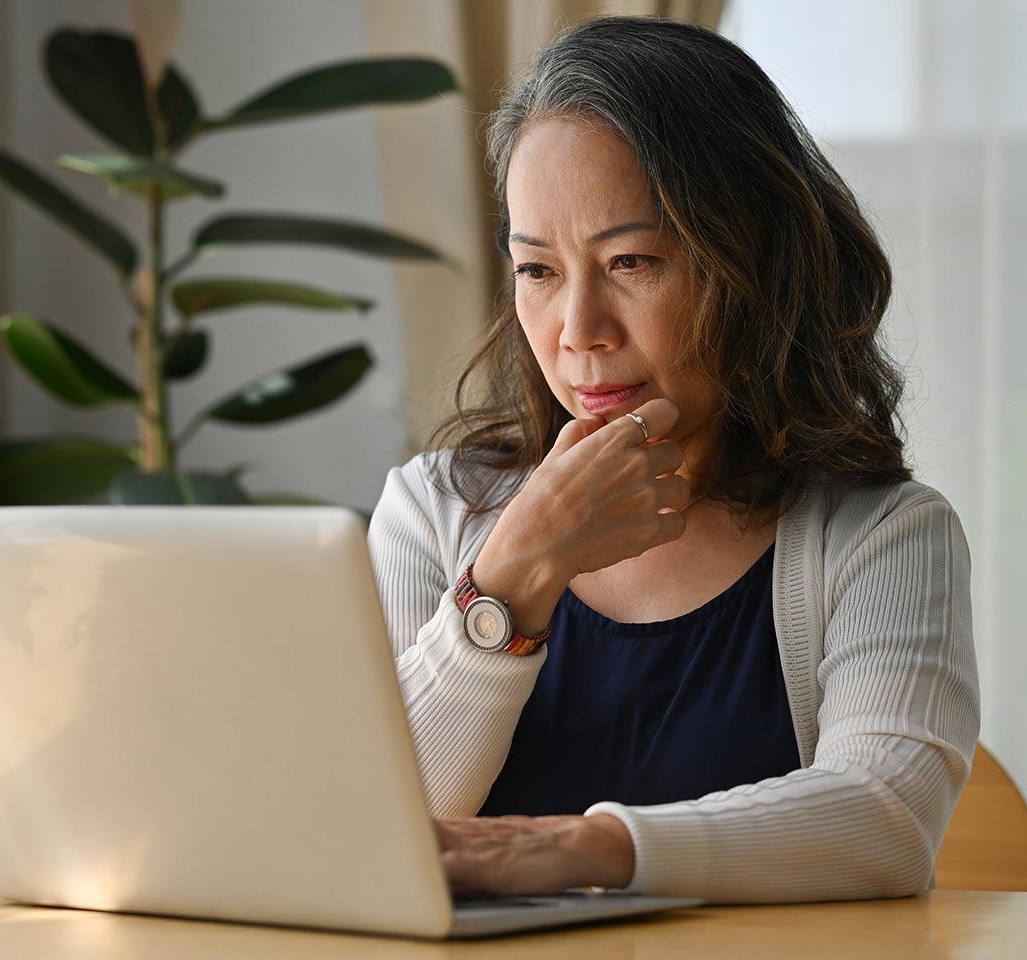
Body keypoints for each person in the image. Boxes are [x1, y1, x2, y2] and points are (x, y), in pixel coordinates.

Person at [366, 16, 978, 904]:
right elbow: (377, 828)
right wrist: (511, 576)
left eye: (632, 261)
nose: (578, 332)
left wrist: (581, 849)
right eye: (537, 270)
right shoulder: (434, 511)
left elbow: (886, 817)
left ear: (750, 266)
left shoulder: (881, 535)